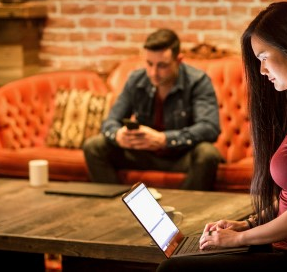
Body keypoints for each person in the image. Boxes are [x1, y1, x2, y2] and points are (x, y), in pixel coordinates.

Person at [156, 2, 287, 271]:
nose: (262, 71)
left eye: (264, 57)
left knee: (172, 269)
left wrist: (238, 239)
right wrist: (247, 223)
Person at [83, 28, 222, 191]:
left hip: (181, 156)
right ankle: (118, 205)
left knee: (208, 154)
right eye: (149, 64)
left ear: (178, 60)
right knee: (94, 146)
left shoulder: (198, 81)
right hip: (143, 154)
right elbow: (110, 122)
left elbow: (209, 128)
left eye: (162, 66)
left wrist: (164, 139)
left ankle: (186, 209)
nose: (153, 73)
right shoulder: (136, 79)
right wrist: (118, 135)